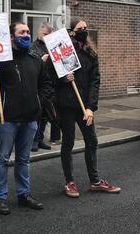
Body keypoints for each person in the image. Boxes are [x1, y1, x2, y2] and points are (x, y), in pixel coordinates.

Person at [0, 22, 53, 215]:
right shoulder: (1, 60)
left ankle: (24, 194)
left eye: (28, 32)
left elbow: (46, 84)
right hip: (8, 119)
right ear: (11, 37)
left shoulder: (35, 59)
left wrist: (39, 102)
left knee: (24, 159)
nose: (26, 35)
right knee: (2, 159)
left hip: (30, 118)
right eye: (22, 32)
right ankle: (0, 197)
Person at [55, 18, 121, 198]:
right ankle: (69, 182)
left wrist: (91, 107)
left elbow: (95, 81)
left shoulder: (91, 53)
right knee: (67, 142)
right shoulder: (63, 51)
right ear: (71, 32)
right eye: (80, 28)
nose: (84, 30)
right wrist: (63, 78)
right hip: (67, 105)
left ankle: (95, 181)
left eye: (86, 28)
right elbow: (50, 78)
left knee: (92, 140)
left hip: (84, 107)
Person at [29, 22, 61, 151]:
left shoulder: (52, 46)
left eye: (49, 34)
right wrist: (41, 60)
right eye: (45, 34)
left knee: (46, 115)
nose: (46, 36)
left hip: (51, 84)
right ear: (39, 32)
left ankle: (40, 139)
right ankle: (33, 140)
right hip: (37, 85)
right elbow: (30, 65)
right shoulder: (32, 46)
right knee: (37, 114)